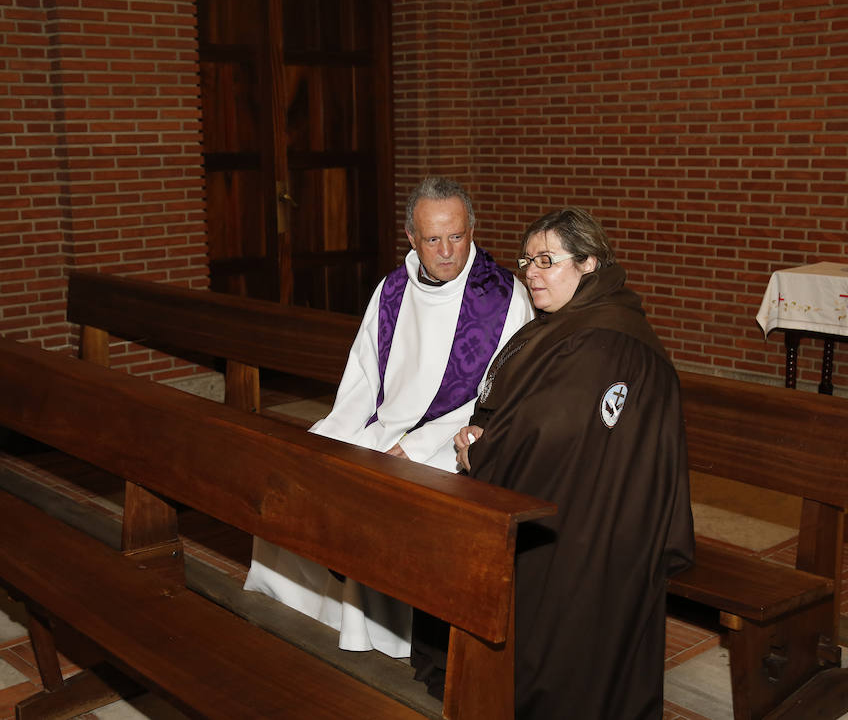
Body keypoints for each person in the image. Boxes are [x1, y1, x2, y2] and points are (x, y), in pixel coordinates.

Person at [243, 176, 534, 659]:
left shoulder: (504, 298)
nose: (446, 252)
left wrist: (416, 447)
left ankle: (375, 636)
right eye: (433, 239)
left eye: (457, 236)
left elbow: (494, 396)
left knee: (377, 497)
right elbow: (364, 373)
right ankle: (301, 609)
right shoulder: (393, 288)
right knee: (300, 469)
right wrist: (333, 435)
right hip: (385, 428)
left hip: (451, 443)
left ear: (473, 229)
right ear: (412, 238)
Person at [451, 207, 695, 719]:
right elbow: (530, 410)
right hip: (585, 505)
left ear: (589, 264)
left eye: (547, 260)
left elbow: (552, 431)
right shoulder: (572, 324)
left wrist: (483, 451)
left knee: (566, 643)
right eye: (527, 260)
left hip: (596, 524)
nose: (531, 272)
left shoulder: (603, 339)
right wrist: (485, 429)